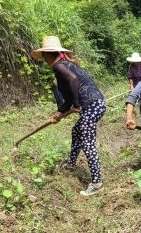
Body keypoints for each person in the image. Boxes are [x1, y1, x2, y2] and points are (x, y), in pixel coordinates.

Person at [31, 36, 106, 196]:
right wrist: (59, 113)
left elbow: (73, 81)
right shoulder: (66, 64)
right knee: (76, 131)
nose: (43, 59)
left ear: (47, 55)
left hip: (91, 105)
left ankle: (97, 183)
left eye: (44, 55)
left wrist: (77, 104)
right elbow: (69, 100)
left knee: (88, 144)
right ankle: (71, 163)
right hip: (96, 104)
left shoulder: (59, 66)